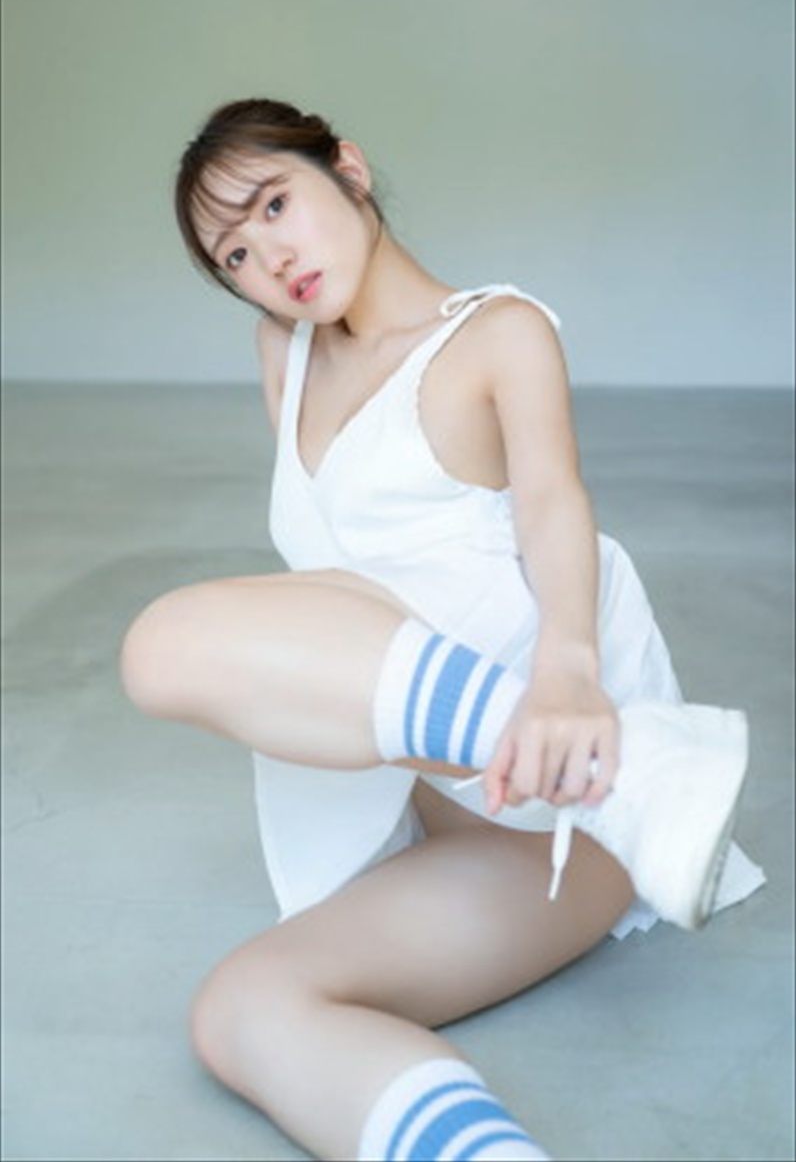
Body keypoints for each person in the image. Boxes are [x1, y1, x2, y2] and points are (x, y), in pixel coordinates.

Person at [120, 98, 764, 1162]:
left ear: (348, 168)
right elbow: (340, 583)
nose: (269, 257)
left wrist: (569, 672)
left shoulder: (497, 334)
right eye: (234, 254)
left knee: (162, 641)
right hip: (449, 828)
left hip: (559, 825)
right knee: (240, 1011)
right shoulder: (284, 357)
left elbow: (554, 506)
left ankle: (628, 778)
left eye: (275, 204)